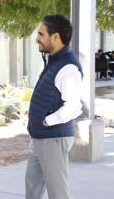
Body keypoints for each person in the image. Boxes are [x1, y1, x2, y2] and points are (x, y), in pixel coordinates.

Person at [25, 15, 83, 199]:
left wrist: (47, 121)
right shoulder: (53, 61)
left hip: (53, 139)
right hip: (39, 138)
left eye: (41, 34)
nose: (37, 38)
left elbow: (74, 106)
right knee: (32, 189)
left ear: (55, 37)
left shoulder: (68, 67)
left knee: (58, 194)